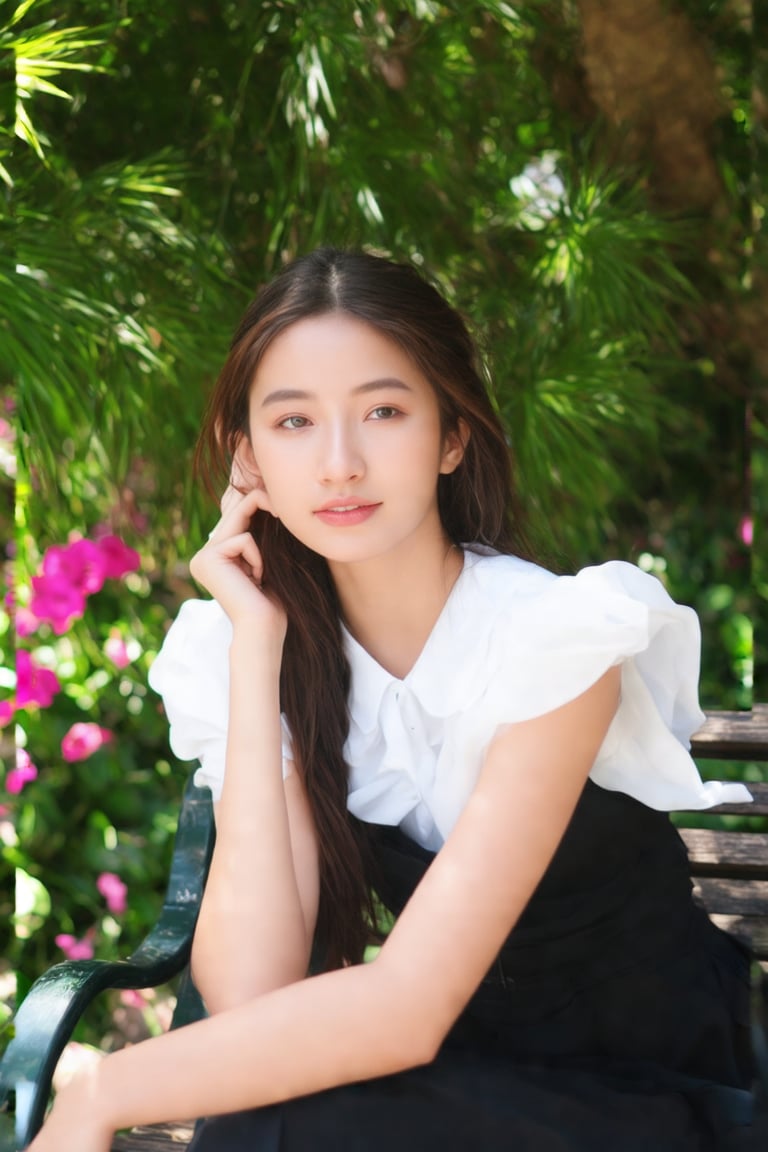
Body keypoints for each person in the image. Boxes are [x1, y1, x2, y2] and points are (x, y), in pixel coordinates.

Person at [27, 247, 756, 1152]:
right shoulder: (259, 649)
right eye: (294, 422)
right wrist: (259, 655)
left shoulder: (552, 642)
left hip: (639, 1088)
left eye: (382, 411)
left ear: (452, 436)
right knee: (270, 1124)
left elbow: (407, 1010)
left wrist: (101, 1093)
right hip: (457, 1083)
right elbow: (250, 993)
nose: (340, 463)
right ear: (246, 459)